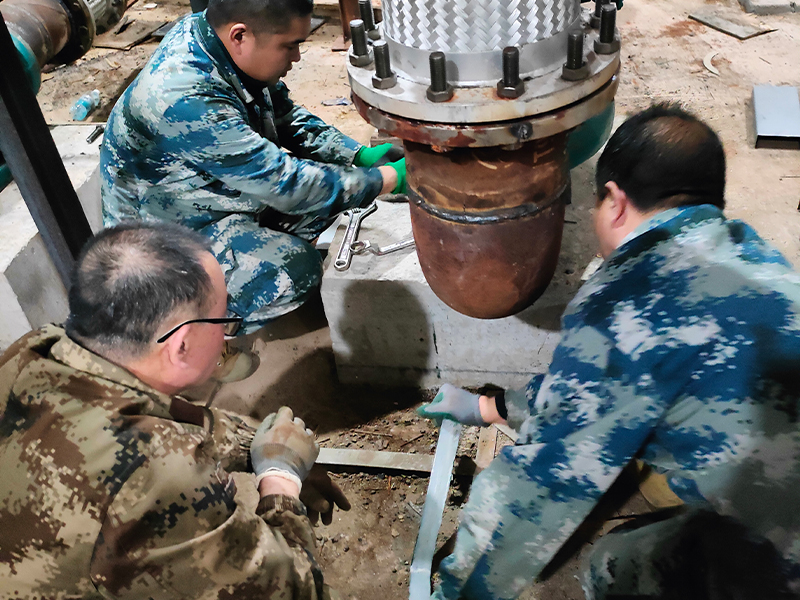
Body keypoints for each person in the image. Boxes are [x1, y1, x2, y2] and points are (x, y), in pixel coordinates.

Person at [417, 103, 800, 600]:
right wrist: (490, 408)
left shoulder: (631, 301)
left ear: (615, 202)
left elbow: (536, 492)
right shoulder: (757, 257)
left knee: (615, 570)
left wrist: (457, 593)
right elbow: (599, 387)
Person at [0, 222, 350, 599]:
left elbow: (157, 412)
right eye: (225, 320)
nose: (228, 334)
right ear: (181, 345)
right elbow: (293, 592)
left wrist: (257, 447)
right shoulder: (159, 481)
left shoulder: (36, 351)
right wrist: (281, 482)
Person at [100, 0, 405, 342]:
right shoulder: (183, 98)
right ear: (240, 36)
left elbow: (284, 115)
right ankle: (189, 331)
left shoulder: (217, 42)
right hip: (160, 249)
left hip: (201, 196)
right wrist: (389, 179)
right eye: (290, 46)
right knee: (296, 267)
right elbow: (287, 185)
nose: (297, 57)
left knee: (328, 195)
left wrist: (357, 155)